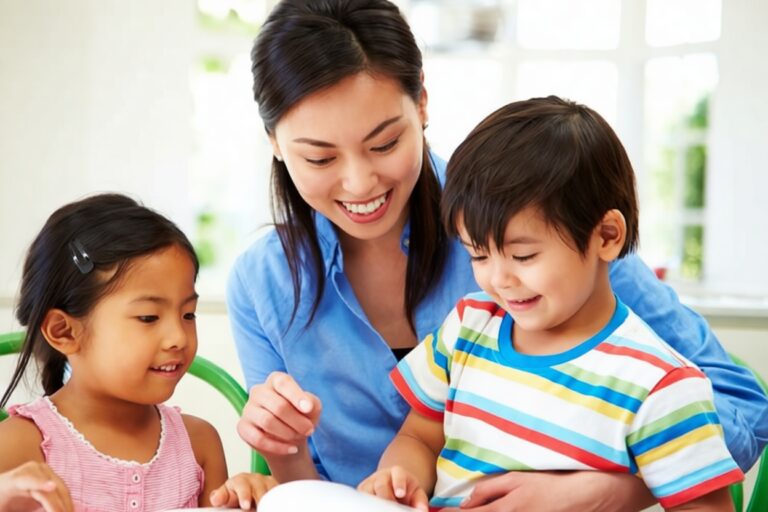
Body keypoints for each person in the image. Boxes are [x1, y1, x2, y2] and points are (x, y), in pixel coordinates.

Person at [229, 0, 768, 509]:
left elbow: (742, 407)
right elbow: (317, 488)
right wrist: (280, 446)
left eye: (385, 144)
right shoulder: (262, 285)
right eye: (320, 158)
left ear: (421, 104)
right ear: (274, 141)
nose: (359, 181)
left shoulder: (542, 222)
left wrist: (608, 492)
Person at [357, 96, 744, 511]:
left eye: (523, 256)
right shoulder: (468, 327)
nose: (500, 280)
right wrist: (401, 480)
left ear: (608, 236)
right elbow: (419, 436)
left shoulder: (658, 384)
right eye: (479, 255)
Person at [0, 193, 276, 511]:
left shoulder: (199, 444)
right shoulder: (19, 446)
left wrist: (250, 502)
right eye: (148, 317)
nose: (178, 338)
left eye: (188, 314)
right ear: (64, 331)